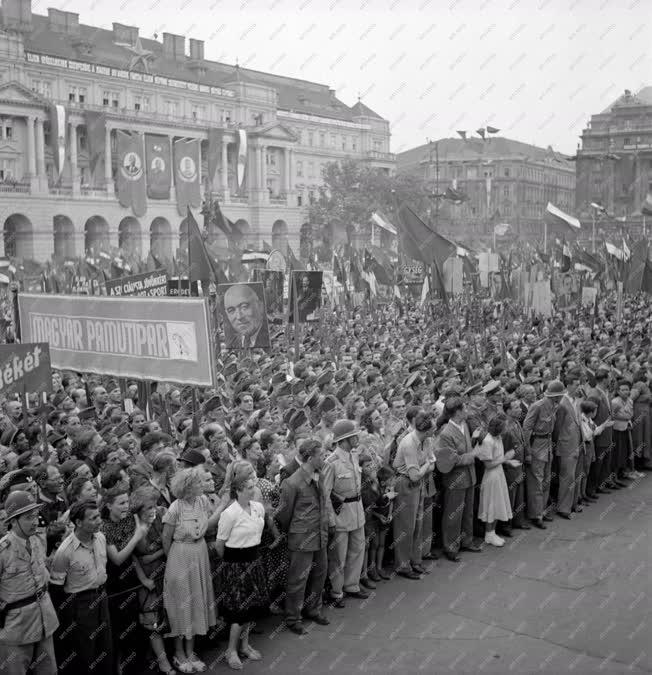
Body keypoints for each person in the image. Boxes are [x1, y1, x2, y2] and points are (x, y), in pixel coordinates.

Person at [162, 467, 222, 674]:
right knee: (180, 605)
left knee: (197, 601)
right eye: (198, 482)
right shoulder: (174, 508)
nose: (202, 485)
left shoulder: (202, 502)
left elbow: (210, 524)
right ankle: (179, 653)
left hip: (200, 553)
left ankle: (191, 651)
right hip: (180, 556)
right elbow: (166, 539)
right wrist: (175, 562)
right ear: (187, 487)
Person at [50, 499, 113, 675]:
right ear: (78, 522)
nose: (99, 520)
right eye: (93, 518)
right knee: (85, 654)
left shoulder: (101, 537)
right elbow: (56, 590)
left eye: (99, 516)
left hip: (102, 598)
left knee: (105, 649)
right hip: (80, 605)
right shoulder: (65, 551)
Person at [0, 491, 59, 675]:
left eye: (35, 515)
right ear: (13, 521)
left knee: (48, 671)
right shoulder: (3, 551)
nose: (35, 521)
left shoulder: (36, 541)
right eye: (28, 517)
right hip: (16, 629)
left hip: (44, 620)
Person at [275, 439, 330, 635]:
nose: (324, 458)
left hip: (320, 535)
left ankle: (313, 609)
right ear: (310, 457)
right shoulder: (292, 483)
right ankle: (293, 618)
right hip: (301, 539)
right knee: (298, 579)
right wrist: (295, 531)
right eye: (321, 455)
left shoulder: (319, 476)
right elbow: (283, 514)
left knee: (319, 574)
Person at [215, 473, 268, 670]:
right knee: (238, 612)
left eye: (253, 486)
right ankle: (231, 651)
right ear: (237, 491)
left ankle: (245, 646)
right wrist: (233, 563)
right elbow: (220, 545)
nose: (252, 489)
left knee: (251, 608)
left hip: (254, 562)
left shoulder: (258, 508)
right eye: (248, 487)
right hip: (236, 566)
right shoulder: (229, 514)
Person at [322, 420, 367, 607]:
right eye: (353, 436)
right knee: (338, 557)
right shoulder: (331, 463)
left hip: (357, 510)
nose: (356, 439)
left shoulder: (353, 455)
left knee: (357, 550)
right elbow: (325, 495)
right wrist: (331, 520)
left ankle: (352, 585)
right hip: (340, 514)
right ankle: (336, 591)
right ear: (344, 440)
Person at [435, 397, 481, 562]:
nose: (467, 410)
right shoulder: (446, 433)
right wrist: (473, 455)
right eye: (465, 408)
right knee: (453, 514)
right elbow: (449, 460)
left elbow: (465, 448)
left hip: (469, 477)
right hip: (456, 480)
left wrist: (473, 445)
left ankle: (466, 541)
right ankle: (451, 547)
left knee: (468, 512)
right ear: (458, 412)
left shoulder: (464, 426)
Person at [391, 411, 436, 578]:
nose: (435, 430)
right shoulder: (409, 443)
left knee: (418, 524)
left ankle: (415, 561)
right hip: (405, 485)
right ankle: (403, 566)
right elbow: (415, 474)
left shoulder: (428, 440)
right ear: (426, 430)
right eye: (433, 427)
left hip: (418, 485)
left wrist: (424, 466)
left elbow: (433, 463)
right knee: (405, 527)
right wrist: (425, 465)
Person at [523, 380, 565, 529]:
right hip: (536, 445)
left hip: (547, 445)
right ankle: (535, 514)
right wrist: (527, 452)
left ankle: (542, 510)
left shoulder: (554, 405)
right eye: (560, 395)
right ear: (556, 396)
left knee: (546, 480)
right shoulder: (538, 406)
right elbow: (526, 429)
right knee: (537, 482)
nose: (561, 398)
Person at [476, 415, 514, 547]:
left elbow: (498, 458)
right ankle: (489, 534)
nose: (507, 428)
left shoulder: (498, 438)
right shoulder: (488, 441)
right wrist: (505, 459)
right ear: (498, 428)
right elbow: (488, 465)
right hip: (491, 477)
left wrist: (509, 460)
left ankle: (492, 532)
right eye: (505, 426)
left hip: (499, 474)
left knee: (498, 503)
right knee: (491, 504)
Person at [223, 284, 269, 349]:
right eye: (231, 310)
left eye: (244, 307)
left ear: (260, 307)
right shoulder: (232, 343)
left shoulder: (271, 337)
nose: (239, 317)